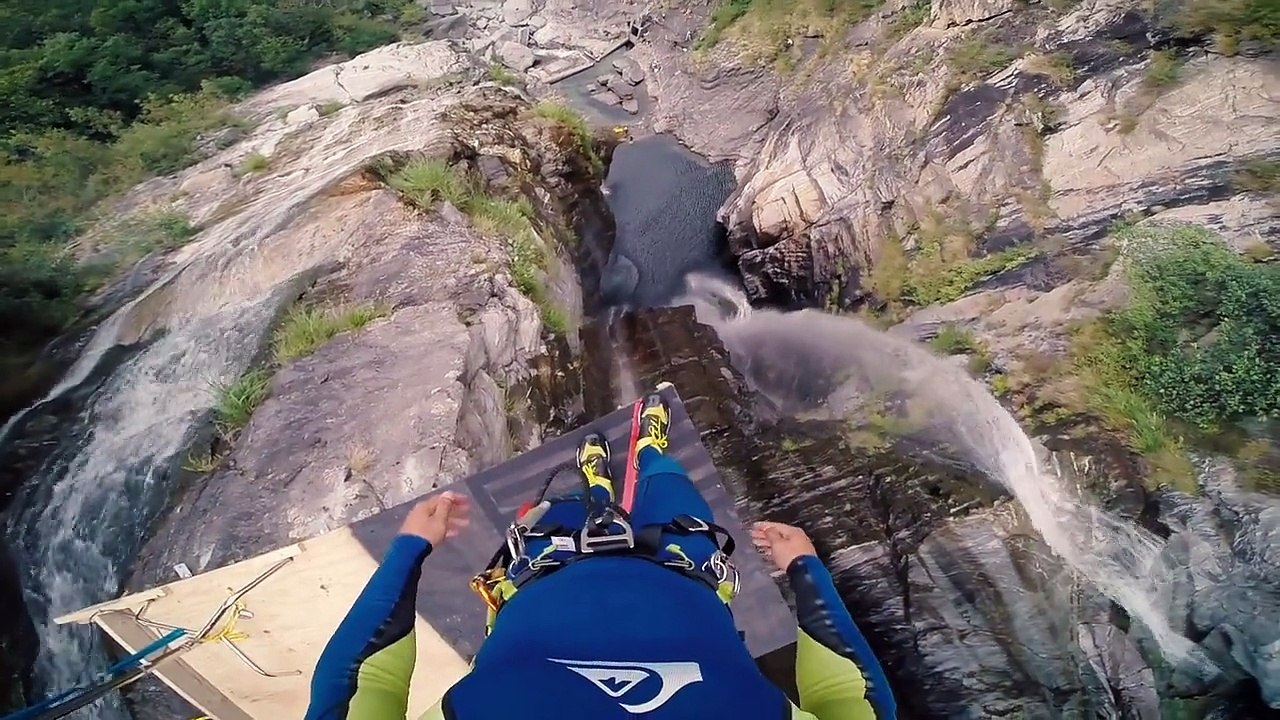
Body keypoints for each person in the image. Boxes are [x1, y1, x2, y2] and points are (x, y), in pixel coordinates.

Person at [306, 395, 896, 719]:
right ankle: (646, 450)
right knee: (669, 484)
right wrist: (805, 569)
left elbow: (362, 679)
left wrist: (410, 549)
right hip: (680, 565)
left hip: (546, 567)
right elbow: (851, 696)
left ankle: (597, 484)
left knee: (568, 507)